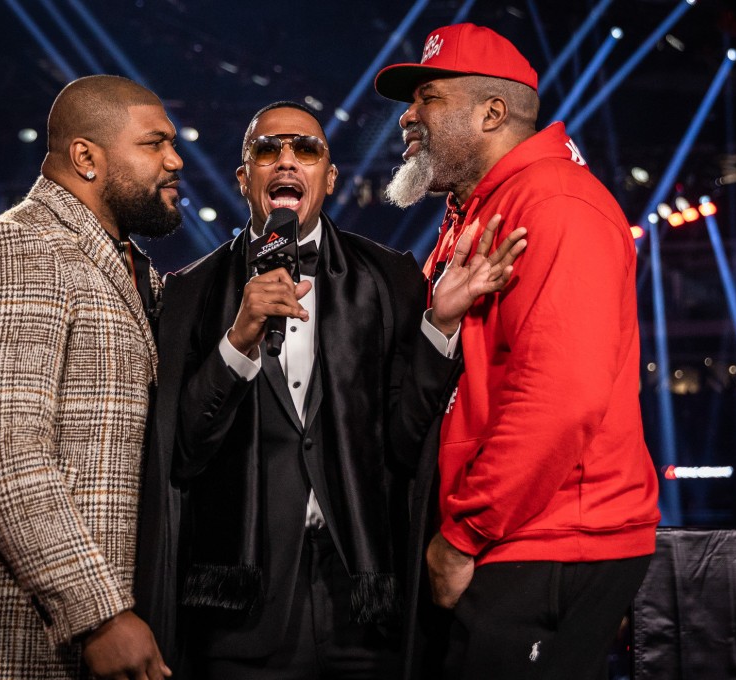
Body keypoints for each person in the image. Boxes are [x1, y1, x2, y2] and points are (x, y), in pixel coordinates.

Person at [135, 101, 524, 680]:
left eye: (306, 149)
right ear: (245, 178)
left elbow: (405, 439)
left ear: (329, 176)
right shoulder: (191, 294)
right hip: (240, 604)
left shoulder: (391, 278)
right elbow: (186, 449)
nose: (286, 160)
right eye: (268, 150)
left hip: (361, 598)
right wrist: (240, 336)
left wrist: (438, 326)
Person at [374, 23, 661, 679]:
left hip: (543, 536)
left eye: (429, 99)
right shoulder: (480, 207)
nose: (408, 118)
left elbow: (561, 399)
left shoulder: (556, 205)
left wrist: (464, 535)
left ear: (491, 112)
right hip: (520, 534)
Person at [0, 75, 181, 680]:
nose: (175, 160)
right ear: (86, 158)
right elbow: (1, 450)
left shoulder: (128, 268)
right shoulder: (18, 249)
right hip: (3, 645)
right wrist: (99, 616)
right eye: (155, 144)